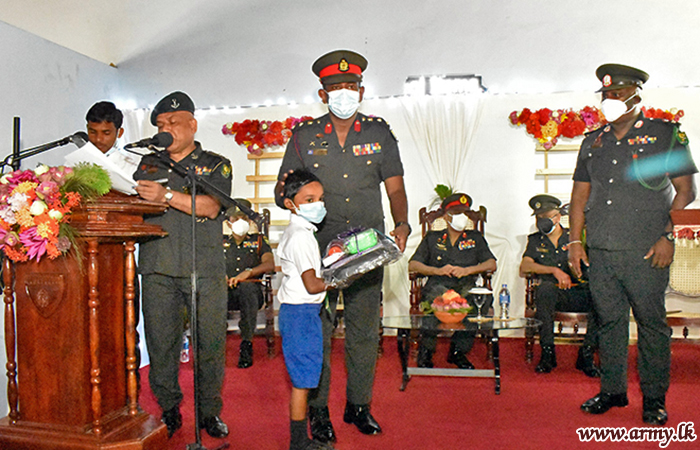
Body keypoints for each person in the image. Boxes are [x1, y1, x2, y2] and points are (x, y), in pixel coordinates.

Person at [275, 50, 410, 443]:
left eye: (351, 86)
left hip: (367, 247)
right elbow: (283, 191)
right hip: (321, 249)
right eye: (336, 88)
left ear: (362, 91)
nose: (344, 94)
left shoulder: (379, 133)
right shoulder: (304, 136)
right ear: (323, 94)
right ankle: (318, 411)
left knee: (365, 330)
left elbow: (395, 188)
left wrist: (402, 223)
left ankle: (359, 405)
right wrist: (300, 206)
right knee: (319, 331)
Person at [569, 64, 697, 426]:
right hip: (602, 249)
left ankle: (654, 399)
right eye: (606, 95)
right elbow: (579, 197)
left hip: (646, 249)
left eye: (618, 94)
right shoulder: (593, 142)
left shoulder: (665, 135)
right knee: (609, 323)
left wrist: (668, 236)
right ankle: (613, 391)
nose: (610, 100)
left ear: (636, 95)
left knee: (651, 325)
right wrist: (575, 242)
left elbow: (686, 191)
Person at [133, 91, 232, 438]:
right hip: (157, 265)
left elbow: (211, 207)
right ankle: (169, 408)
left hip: (203, 268)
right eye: (161, 124)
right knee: (161, 345)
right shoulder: (148, 164)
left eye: (173, 123)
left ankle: (209, 412)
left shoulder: (216, 164)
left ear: (192, 125)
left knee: (210, 345)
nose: (166, 129)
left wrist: (166, 196)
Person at [278, 169, 335, 450]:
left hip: (303, 313)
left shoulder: (303, 232)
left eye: (320, 198)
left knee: (307, 378)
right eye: (309, 199)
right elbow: (312, 285)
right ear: (290, 203)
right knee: (302, 382)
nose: (318, 205)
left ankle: (300, 439)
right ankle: (299, 442)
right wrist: (343, 277)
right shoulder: (300, 236)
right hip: (300, 314)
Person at [408, 193, 497, 369]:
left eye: (464, 213)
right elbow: (413, 265)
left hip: (466, 284)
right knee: (436, 300)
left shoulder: (475, 237)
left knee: (479, 301)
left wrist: (468, 270)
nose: (461, 217)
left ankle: (458, 351)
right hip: (438, 283)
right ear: (446, 216)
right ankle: (426, 351)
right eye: (456, 213)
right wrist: (437, 270)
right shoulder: (433, 238)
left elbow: (491, 263)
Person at [519, 194, 600, 377]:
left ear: (557, 217)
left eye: (546, 216)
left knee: (601, 297)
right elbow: (525, 266)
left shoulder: (574, 238)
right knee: (544, 289)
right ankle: (547, 353)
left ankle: (586, 354)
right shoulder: (535, 240)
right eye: (539, 217)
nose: (542, 221)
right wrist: (553, 270)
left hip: (577, 291)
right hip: (553, 295)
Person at [224, 199, 274, 368]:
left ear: (249, 221)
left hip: (251, 293)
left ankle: (246, 344)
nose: (240, 221)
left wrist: (249, 273)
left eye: (243, 218)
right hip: (225, 292)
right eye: (235, 218)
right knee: (212, 292)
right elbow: (207, 263)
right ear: (228, 222)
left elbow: (269, 264)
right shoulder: (220, 241)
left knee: (247, 288)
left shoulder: (258, 240)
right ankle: (214, 345)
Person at [85, 101, 145, 174]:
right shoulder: (76, 163)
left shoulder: (131, 170)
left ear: (119, 133)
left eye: (106, 133)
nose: (98, 139)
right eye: (93, 132)